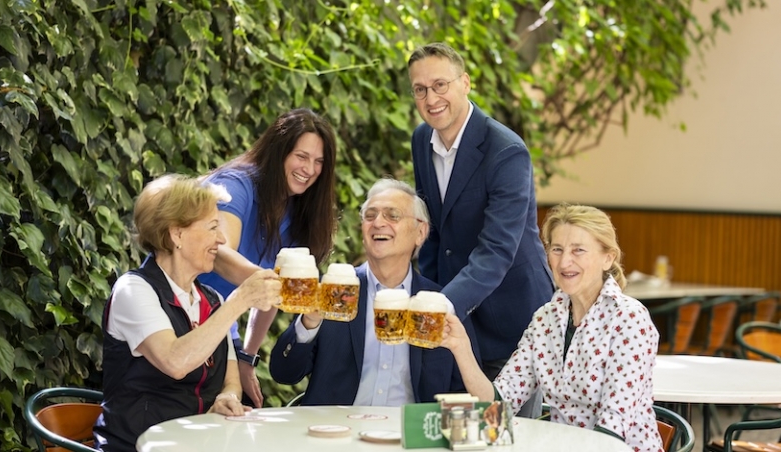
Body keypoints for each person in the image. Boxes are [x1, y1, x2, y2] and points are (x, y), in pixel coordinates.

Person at [440, 203, 661, 451]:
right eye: (557, 249)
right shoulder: (546, 318)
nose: (565, 262)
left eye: (578, 250)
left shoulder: (629, 319)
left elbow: (611, 432)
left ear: (607, 258)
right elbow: (500, 404)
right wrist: (461, 348)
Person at [407, 42, 553, 414]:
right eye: (420, 89)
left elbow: (497, 251)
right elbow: (436, 233)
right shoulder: (422, 140)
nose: (431, 98)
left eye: (440, 85)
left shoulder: (507, 151)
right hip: (457, 319)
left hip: (512, 320)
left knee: (505, 435)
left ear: (465, 83)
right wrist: (428, 294)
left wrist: (438, 304)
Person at [95, 174, 282, 452]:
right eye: (212, 227)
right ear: (177, 234)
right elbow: (175, 361)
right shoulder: (133, 291)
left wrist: (227, 397)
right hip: (134, 446)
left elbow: (231, 380)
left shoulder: (212, 299)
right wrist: (240, 300)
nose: (221, 239)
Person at [269, 178, 468, 405]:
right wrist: (309, 322)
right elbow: (283, 374)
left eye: (392, 215)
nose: (378, 223)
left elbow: (463, 393)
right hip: (338, 433)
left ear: (420, 232)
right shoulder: (333, 291)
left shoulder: (440, 304)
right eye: (370, 216)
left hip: (408, 435)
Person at [197, 108, 337, 407]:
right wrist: (273, 283)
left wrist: (247, 355)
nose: (309, 169)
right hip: (181, 314)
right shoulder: (237, 185)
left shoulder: (297, 211)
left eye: (318, 162)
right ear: (279, 152)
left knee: (246, 408)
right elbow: (218, 253)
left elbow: (271, 294)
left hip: (224, 326)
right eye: (301, 156)